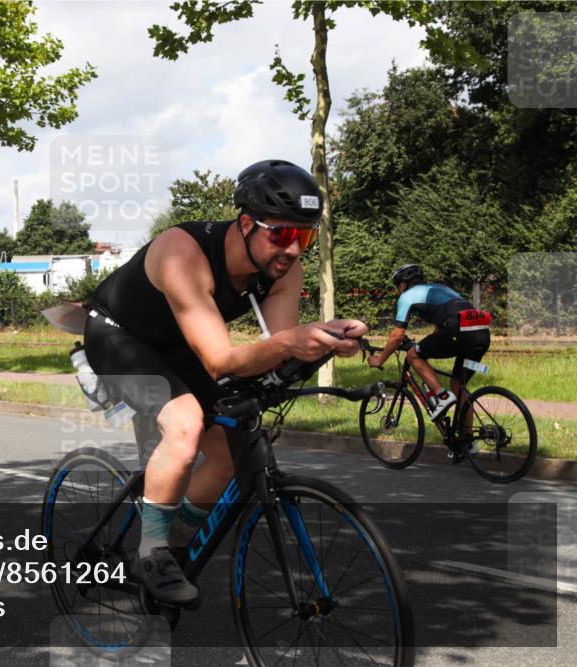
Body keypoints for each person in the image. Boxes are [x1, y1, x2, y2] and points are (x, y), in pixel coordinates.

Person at [83, 159, 366, 606]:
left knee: (228, 453)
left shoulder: (282, 270)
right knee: (186, 424)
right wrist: (292, 343)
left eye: (305, 236)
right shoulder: (182, 252)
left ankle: (174, 542)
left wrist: (322, 343)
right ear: (247, 222)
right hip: (119, 335)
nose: (293, 250)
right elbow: (221, 360)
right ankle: (151, 553)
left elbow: (272, 351)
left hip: (181, 347)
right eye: (282, 234)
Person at [368, 264, 492, 422]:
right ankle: (467, 442)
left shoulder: (406, 296)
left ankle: (443, 395)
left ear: (402, 284)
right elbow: (441, 330)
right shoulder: (440, 288)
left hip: (458, 329)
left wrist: (379, 359)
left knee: (413, 355)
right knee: (458, 386)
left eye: (397, 287)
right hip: (481, 332)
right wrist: (425, 348)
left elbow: (397, 336)